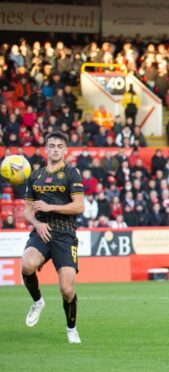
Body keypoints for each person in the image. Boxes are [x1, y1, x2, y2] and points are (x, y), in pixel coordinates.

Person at [21, 131, 85, 344]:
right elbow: (27, 210)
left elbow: (79, 206)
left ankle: (71, 328)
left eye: (59, 146)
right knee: (27, 265)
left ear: (65, 150)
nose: (55, 149)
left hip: (65, 233)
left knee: (67, 290)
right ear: (45, 149)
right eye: (52, 145)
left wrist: (50, 206)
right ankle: (38, 302)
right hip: (42, 231)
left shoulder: (71, 173)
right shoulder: (36, 175)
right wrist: (37, 224)